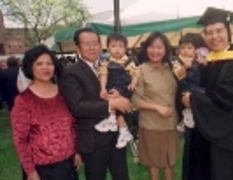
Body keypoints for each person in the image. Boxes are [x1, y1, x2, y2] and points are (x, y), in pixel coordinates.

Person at [181, 7, 233, 180]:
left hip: (223, 137)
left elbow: (225, 101)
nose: (214, 37)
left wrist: (192, 99)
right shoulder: (206, 62)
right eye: (209, 32)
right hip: (199, 132)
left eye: (219, 31)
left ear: (228, 32)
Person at [60, 28, 131, 180]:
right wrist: (111, 105)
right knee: (96, 176)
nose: (92, 47)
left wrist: (124, 95)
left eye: (95, 43)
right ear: (78, 48)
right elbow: (77, 106)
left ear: (101, 45)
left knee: (122, 176)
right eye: (87, 44)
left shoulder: (112, 64)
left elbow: (127, 84)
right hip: (93, 138)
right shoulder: (71, 72)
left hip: (116, 134)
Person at [11, 45, 80, 180]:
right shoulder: (23, 100)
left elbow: (74, 125)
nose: (45, 67)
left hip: (67, 165)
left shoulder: (64, 93)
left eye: (49, 63)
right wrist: (30, 171)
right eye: (39, 64)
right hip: (41, 170)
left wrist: (77, 151)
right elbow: (20, 139)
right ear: (30, 67)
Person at [132, 32, 184, 180]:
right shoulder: (140, 70)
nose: (155, 51)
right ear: (146, 48)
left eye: (159, 47)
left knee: (170, 161)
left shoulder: (172, 68)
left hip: (170, 124)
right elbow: (135, 101)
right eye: (151, 47)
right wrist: (157, 107)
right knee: (153, 162)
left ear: (166, 49)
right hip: (151, 125)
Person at [95, 33, 138, 148]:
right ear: (108, 48)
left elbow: (135, 74)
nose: (117, 49)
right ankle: (122, 129)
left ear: (125, 48)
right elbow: (103, 75)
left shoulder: (128, 62)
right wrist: (103, 88)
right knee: (115, 108)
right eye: (114, 46)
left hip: (123, 89)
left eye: (120, 46)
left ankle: (113, 122)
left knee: (118, 107)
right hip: (111, 88)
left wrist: (133, 83)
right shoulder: (106, 62)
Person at [172, 33, 205, 131]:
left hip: (197, 87)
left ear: (195, 49)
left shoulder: (198, 59)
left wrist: (204, 62)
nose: (185, 50)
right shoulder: (177, 61)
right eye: (183, 48)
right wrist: (184, 67)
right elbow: (178, 75)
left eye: (189, 48)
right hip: (185, 86)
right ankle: (186, 116)